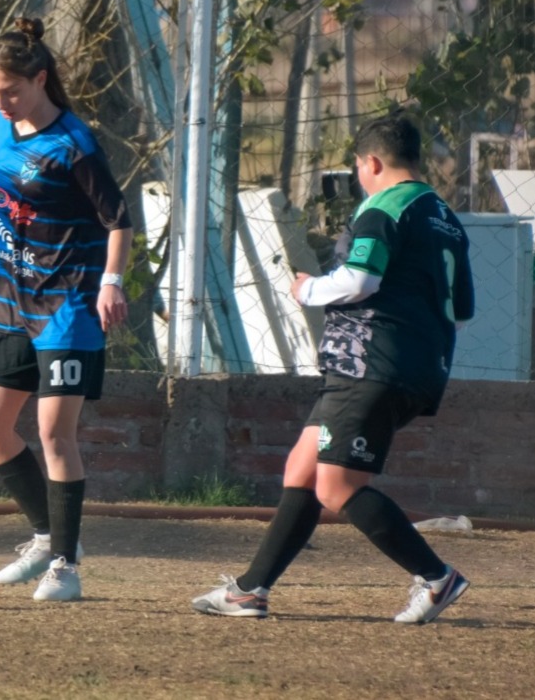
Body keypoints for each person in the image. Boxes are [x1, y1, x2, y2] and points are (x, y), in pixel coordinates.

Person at [192, 111, 475, 624]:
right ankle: (249, 591)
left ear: (370, 162)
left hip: (370, 364)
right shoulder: (446, 218)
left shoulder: (383, 207)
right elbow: (461, 312)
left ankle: (437, 578)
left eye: (359, 168)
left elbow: (360, 281)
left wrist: (308, 289)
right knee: (303, 468)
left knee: (337, 487)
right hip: (412, 365)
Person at [0, 17, 133, 602]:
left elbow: (119, 220)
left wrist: (111, 282)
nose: (0, 100)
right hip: (9, 297)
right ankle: (48, 536)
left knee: (53, 433)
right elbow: (10, 181)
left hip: (67, 303)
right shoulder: (1, 122)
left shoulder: (76, 144)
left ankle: (65, 564)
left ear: (40, 79)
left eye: (10, 90)